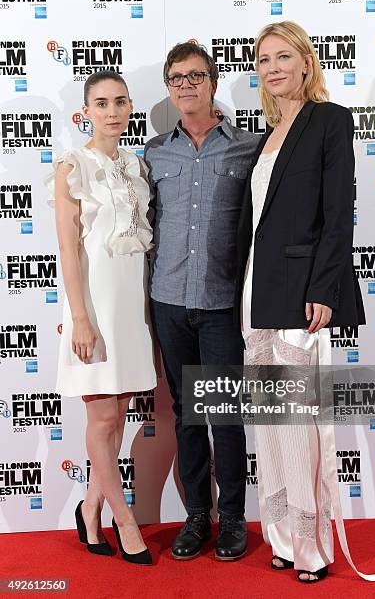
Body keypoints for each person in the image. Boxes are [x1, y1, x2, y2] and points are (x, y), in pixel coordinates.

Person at [235, 21, 375, 583]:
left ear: (306, 61)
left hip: (302, 295)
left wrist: (324, 289)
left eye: (283, 56)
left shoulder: (329, 119)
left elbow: (337, 212)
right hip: (257, 291)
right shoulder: (265, 134)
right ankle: (281, 534)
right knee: (271, 424)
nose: (272, 67)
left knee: (302, 426)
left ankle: (312, 546)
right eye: (262, 59)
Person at [144, 42, 259, 561]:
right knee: (187, 414)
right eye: (176, 78)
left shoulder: (246, 148)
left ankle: (232, 516)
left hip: (220, 305)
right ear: (169, 88)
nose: (185, 84)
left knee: (224, 414)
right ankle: (197, 516)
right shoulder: (153, 152)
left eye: (195, 75)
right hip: (167, 301)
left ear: (213, 81)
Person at [46, 71, 156, 565]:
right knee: (103, 414)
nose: (111, 111)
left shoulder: (136, 165)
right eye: (101, 103)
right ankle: (123, 518)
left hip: (132, 303)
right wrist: (80, 317)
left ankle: (90, 509)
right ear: (86, 111)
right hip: (93, 305)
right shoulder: (73, 166)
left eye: (120, 102)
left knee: (119, 413)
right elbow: (68, 251)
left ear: (130, 107)